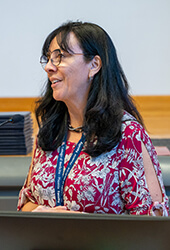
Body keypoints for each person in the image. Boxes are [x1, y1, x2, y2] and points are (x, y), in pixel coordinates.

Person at [17, 21, 169, 216]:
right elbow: (26, 201)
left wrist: (82, 225)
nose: (48, 67)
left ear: (94, 65)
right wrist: (41, 213)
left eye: (60, 57)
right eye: (48, 58)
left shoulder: (127, 134)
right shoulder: (50, 129)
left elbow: (152, 220)